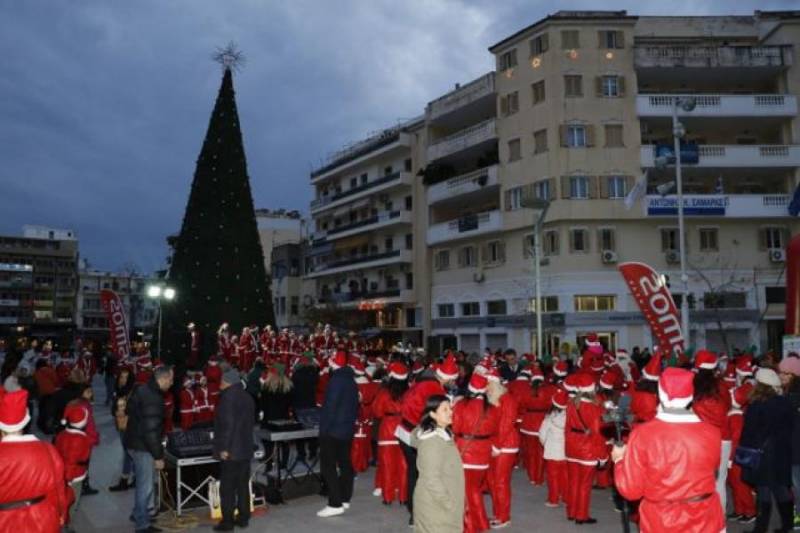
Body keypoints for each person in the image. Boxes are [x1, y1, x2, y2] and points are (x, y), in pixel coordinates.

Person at [612, 367, 724, 533]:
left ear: (660, 394)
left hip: (662, 519)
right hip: (706, 516)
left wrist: (619, 460)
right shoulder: (713, 432)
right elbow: (712, 471)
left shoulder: (642, 434)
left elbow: (631, 491)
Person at [395, 353, 457, 525]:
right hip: (417, 436)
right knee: (423, 476)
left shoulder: (422, 381)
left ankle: (413, 510)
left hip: (404, 432)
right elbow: (437, 417)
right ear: (447, 378)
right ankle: (417, 514)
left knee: (414, 473)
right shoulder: (435, 389)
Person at [0, 386, 69, 533]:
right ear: (26, 420)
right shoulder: (48, 450)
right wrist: (62, 514)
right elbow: (58, 490)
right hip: (42, 520)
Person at [739, 367, 794, 533]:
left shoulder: (756, 405)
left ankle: (760, 528)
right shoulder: (785, 402)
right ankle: (787, 525)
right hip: (782, 453)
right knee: (780, 488)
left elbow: (749, 432)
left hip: (763, 454)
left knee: (763, 490)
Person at [124, 365, 173, 533]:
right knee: (145, 486)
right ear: (163, 379)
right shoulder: (154, 398)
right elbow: (151, 431)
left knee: (144, 482)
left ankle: (138, 513)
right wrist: (158, 456)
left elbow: (129, 409)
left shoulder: (143, 389)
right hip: (142, 447)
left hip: (133, 441)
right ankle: (142, 524)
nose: (172, 383)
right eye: (171, 380)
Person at [452, 372, 500, 533]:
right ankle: (481, 522)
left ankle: (471, 526)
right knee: (474, 489)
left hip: (464, 451)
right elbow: (495, 430)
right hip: (483, 453)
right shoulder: (492, 408)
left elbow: (456, 428)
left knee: (467, 491)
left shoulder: (461, 406)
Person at [411, 395, 464, 533]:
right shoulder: (432, 442)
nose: (451, 412)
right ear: (433, 414)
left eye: (450, 408)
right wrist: (449, 504)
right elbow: (431, 479)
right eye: (445, 410)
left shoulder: (443, 435)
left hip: (441, 503)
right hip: (435, 506)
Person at [316, 351, 359, 518]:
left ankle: (335, 503)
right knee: (345, 464)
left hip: (333, 430)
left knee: (328, 466)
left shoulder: (335, 380)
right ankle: (345, 497)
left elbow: (330, 408)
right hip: (347, 429)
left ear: (334, 363)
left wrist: (323, 429)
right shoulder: (351, 380)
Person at [213, 366, 256, 531]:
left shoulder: (228, 397)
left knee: (227, 487)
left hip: (231, 450)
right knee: (243, 485)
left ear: (227, 382)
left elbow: (227, 425)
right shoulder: (247, 396)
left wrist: (224, 447)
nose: (219, 384)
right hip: (245, 448)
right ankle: (244, 517)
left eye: (222, 381)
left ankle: (227, 522)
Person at [564, 372, 607, 525]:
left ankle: (571, 512)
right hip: (588, 449)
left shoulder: (570, 404)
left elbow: (567, 428)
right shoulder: (594, 407)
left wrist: (568, 445)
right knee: (585, 484)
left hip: (572, 447)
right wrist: (602, 456)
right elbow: (598, 433)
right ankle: (581, 515)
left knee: (573, 482)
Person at [692, 350, 732, 513]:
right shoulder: (721, 385)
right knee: (720, 481)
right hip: (723, 437)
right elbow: (728, 406)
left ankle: (701, 517)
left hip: (699, 438)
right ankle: (719, 521)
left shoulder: (692, 385)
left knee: (699, 480)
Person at [371, 361, 409, 504]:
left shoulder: (384, 392)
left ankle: (387, 497)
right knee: (404, 465)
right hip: (404, 431)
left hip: (386, 431)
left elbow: (377, 412)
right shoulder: (409, 392)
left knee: (387, 465)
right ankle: (403, 497)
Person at [486, 369, 519, 529]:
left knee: (500, 482)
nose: (486, 387)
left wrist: (497, 445)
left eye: (488, 384)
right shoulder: (496, 398)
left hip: (505, 445)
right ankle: (498, 513)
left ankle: (503, 516)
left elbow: (506, 425)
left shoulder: (508, 400)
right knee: (493, 481)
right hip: (496, 444)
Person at [54, 402, 92, 530]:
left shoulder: (62, 434)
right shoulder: (80, 440)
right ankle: (66, 524)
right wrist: (68, 479)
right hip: (74, 476)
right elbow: (71, 461)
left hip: (62, 473)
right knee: (72, 500)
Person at [778, 355, 800, 529]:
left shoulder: (791, 397)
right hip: (792, 446)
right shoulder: (789, 394)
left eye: (784, 374)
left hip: (794, 447)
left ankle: (798, 517)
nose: (780, 376)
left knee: (796, 484)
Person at [539, 388, 568, 507]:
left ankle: (553, 499)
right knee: (565, 476)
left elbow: (542, 434)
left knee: (553, 477)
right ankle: (565, 496)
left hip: (552, 452)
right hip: (565, 452)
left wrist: (545, 444)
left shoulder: (549, 419)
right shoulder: (569, 417)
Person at [109, 367, 136, 492]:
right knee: (130, 453)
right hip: (121, 425)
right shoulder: (118, 390)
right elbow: (113, 409)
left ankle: (124, 480)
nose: (123, 379)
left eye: (126, 377)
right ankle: (135, 478)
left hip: (130, 426)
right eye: (121, 377)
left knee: (128, 452)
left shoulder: (132, 391)